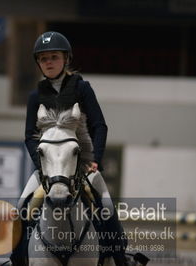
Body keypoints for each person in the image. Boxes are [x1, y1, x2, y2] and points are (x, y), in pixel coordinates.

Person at [10, 31, 128, 265]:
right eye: (44, 59)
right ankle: (16, 258)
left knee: (105, 205)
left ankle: (120, 257)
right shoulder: (36, 96)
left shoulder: (82, 88)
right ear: (39, 64)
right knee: (22, 207)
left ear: (66, 59)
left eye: (54, 57)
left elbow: (99, 126)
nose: (49, 62)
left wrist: (95, 160)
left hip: (81, 166)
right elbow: (29, 136)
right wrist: (42, 164)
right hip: (48, 169)